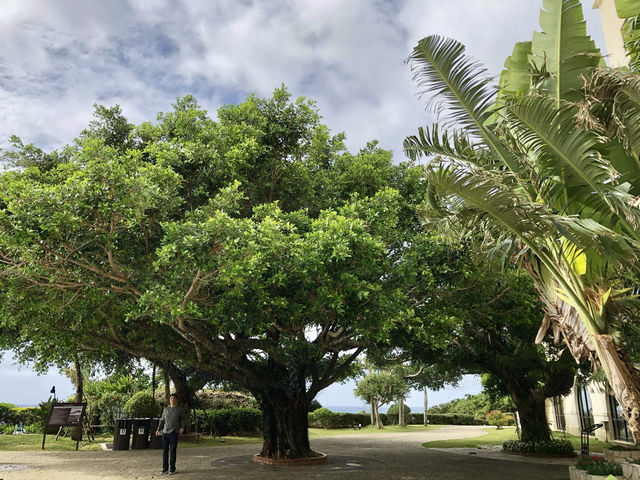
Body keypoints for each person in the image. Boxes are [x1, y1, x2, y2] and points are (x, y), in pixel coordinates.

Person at [156, 393, 188, 475]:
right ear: (169, 400)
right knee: (165, 451)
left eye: (174, 398)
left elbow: (184, 420)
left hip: (174, 432)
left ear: (177, 400)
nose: (172, 400)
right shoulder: (166, 409)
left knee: (173, 451)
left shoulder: (180, 409)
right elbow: (162, 420)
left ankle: (172, 469)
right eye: (171, 398)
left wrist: (182, 428)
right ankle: (165, 469)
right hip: (165, 433)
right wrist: (158, 429)